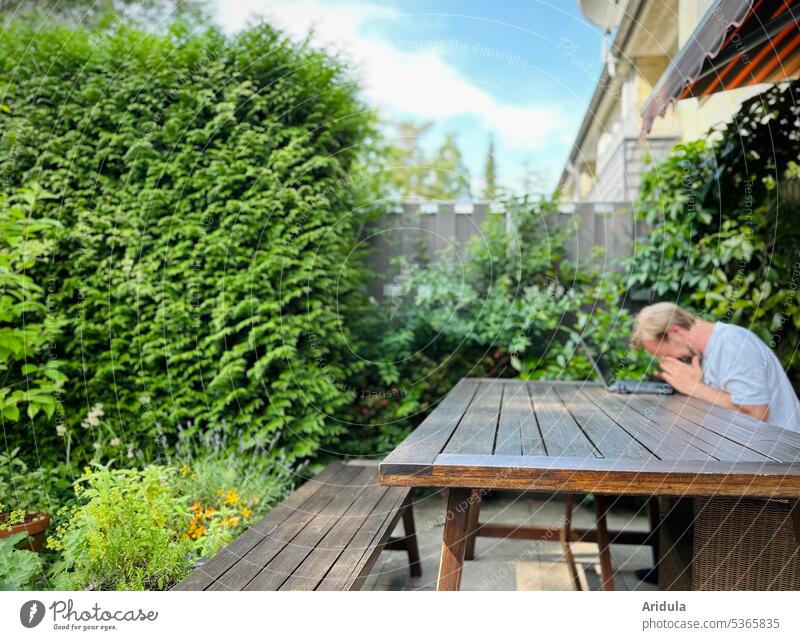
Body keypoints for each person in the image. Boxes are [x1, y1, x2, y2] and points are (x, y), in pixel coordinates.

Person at [631, 302, 800, 432]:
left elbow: (757, 415)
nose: (666, 362)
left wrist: (695, 388)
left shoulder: (732, 345)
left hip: (781, 461)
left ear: (676, 332)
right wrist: (700, 385)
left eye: (665, 355)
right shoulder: (707, 354)